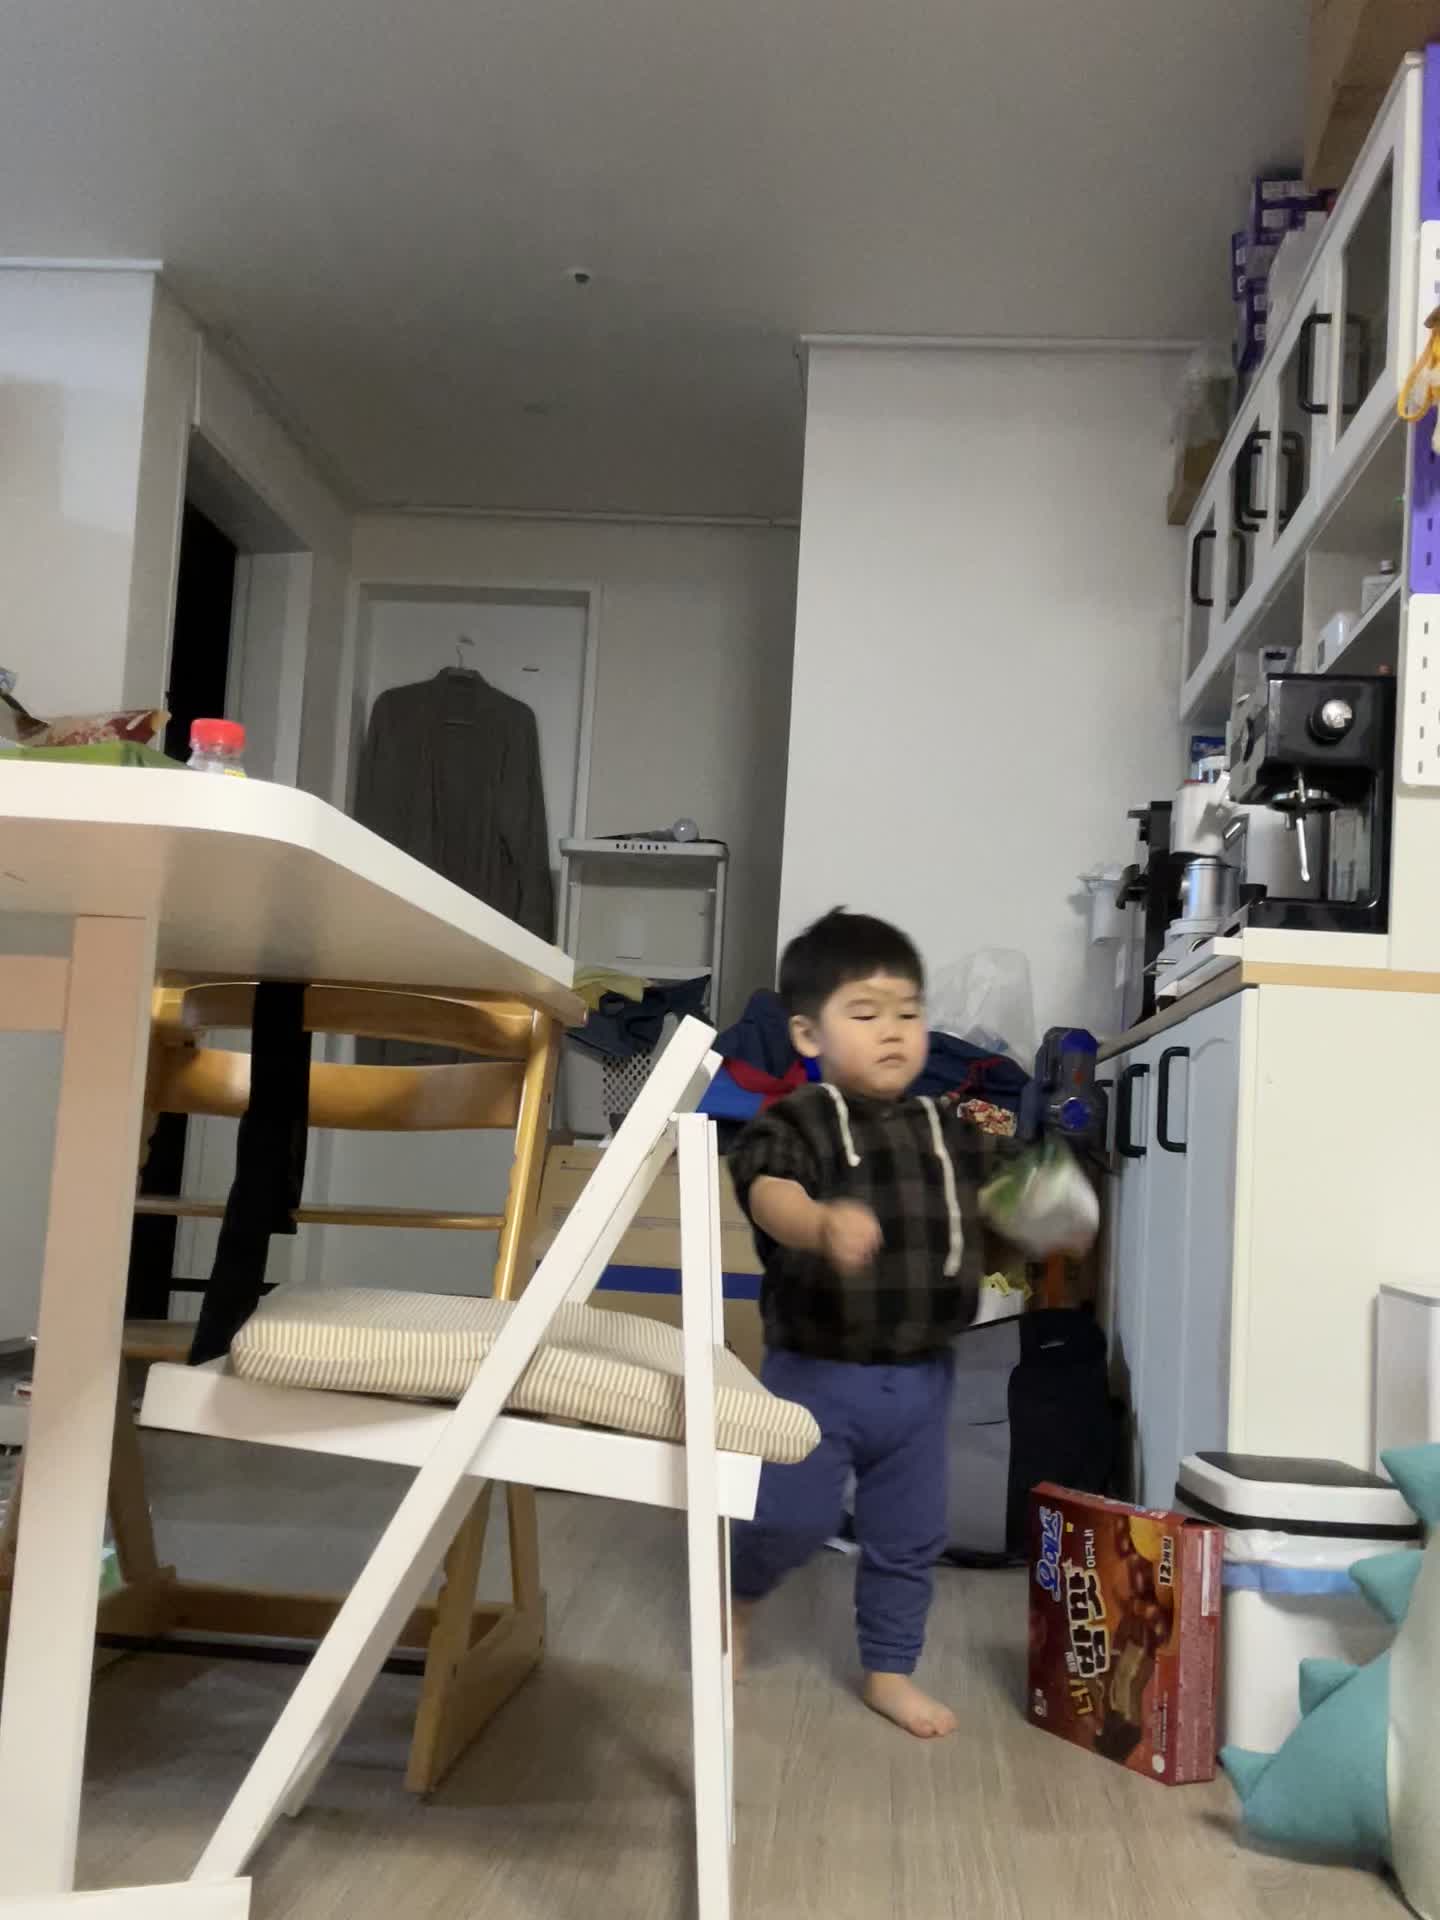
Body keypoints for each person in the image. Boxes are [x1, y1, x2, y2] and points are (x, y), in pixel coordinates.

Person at [728, 908, 1097, 1738]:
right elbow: (768, 1191)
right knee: (791, 1519)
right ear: (809, 1034)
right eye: (865, 1013)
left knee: (910, 1536)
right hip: (815, 1374)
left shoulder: (951, 1130)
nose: (892, 1030)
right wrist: (818, 1222)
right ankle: (738, 1600)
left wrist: (1050, 1214)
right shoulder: (796, 1121)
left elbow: (1010, 1197)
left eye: (908, 1011)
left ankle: (889, 1670)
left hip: (925, 1377)